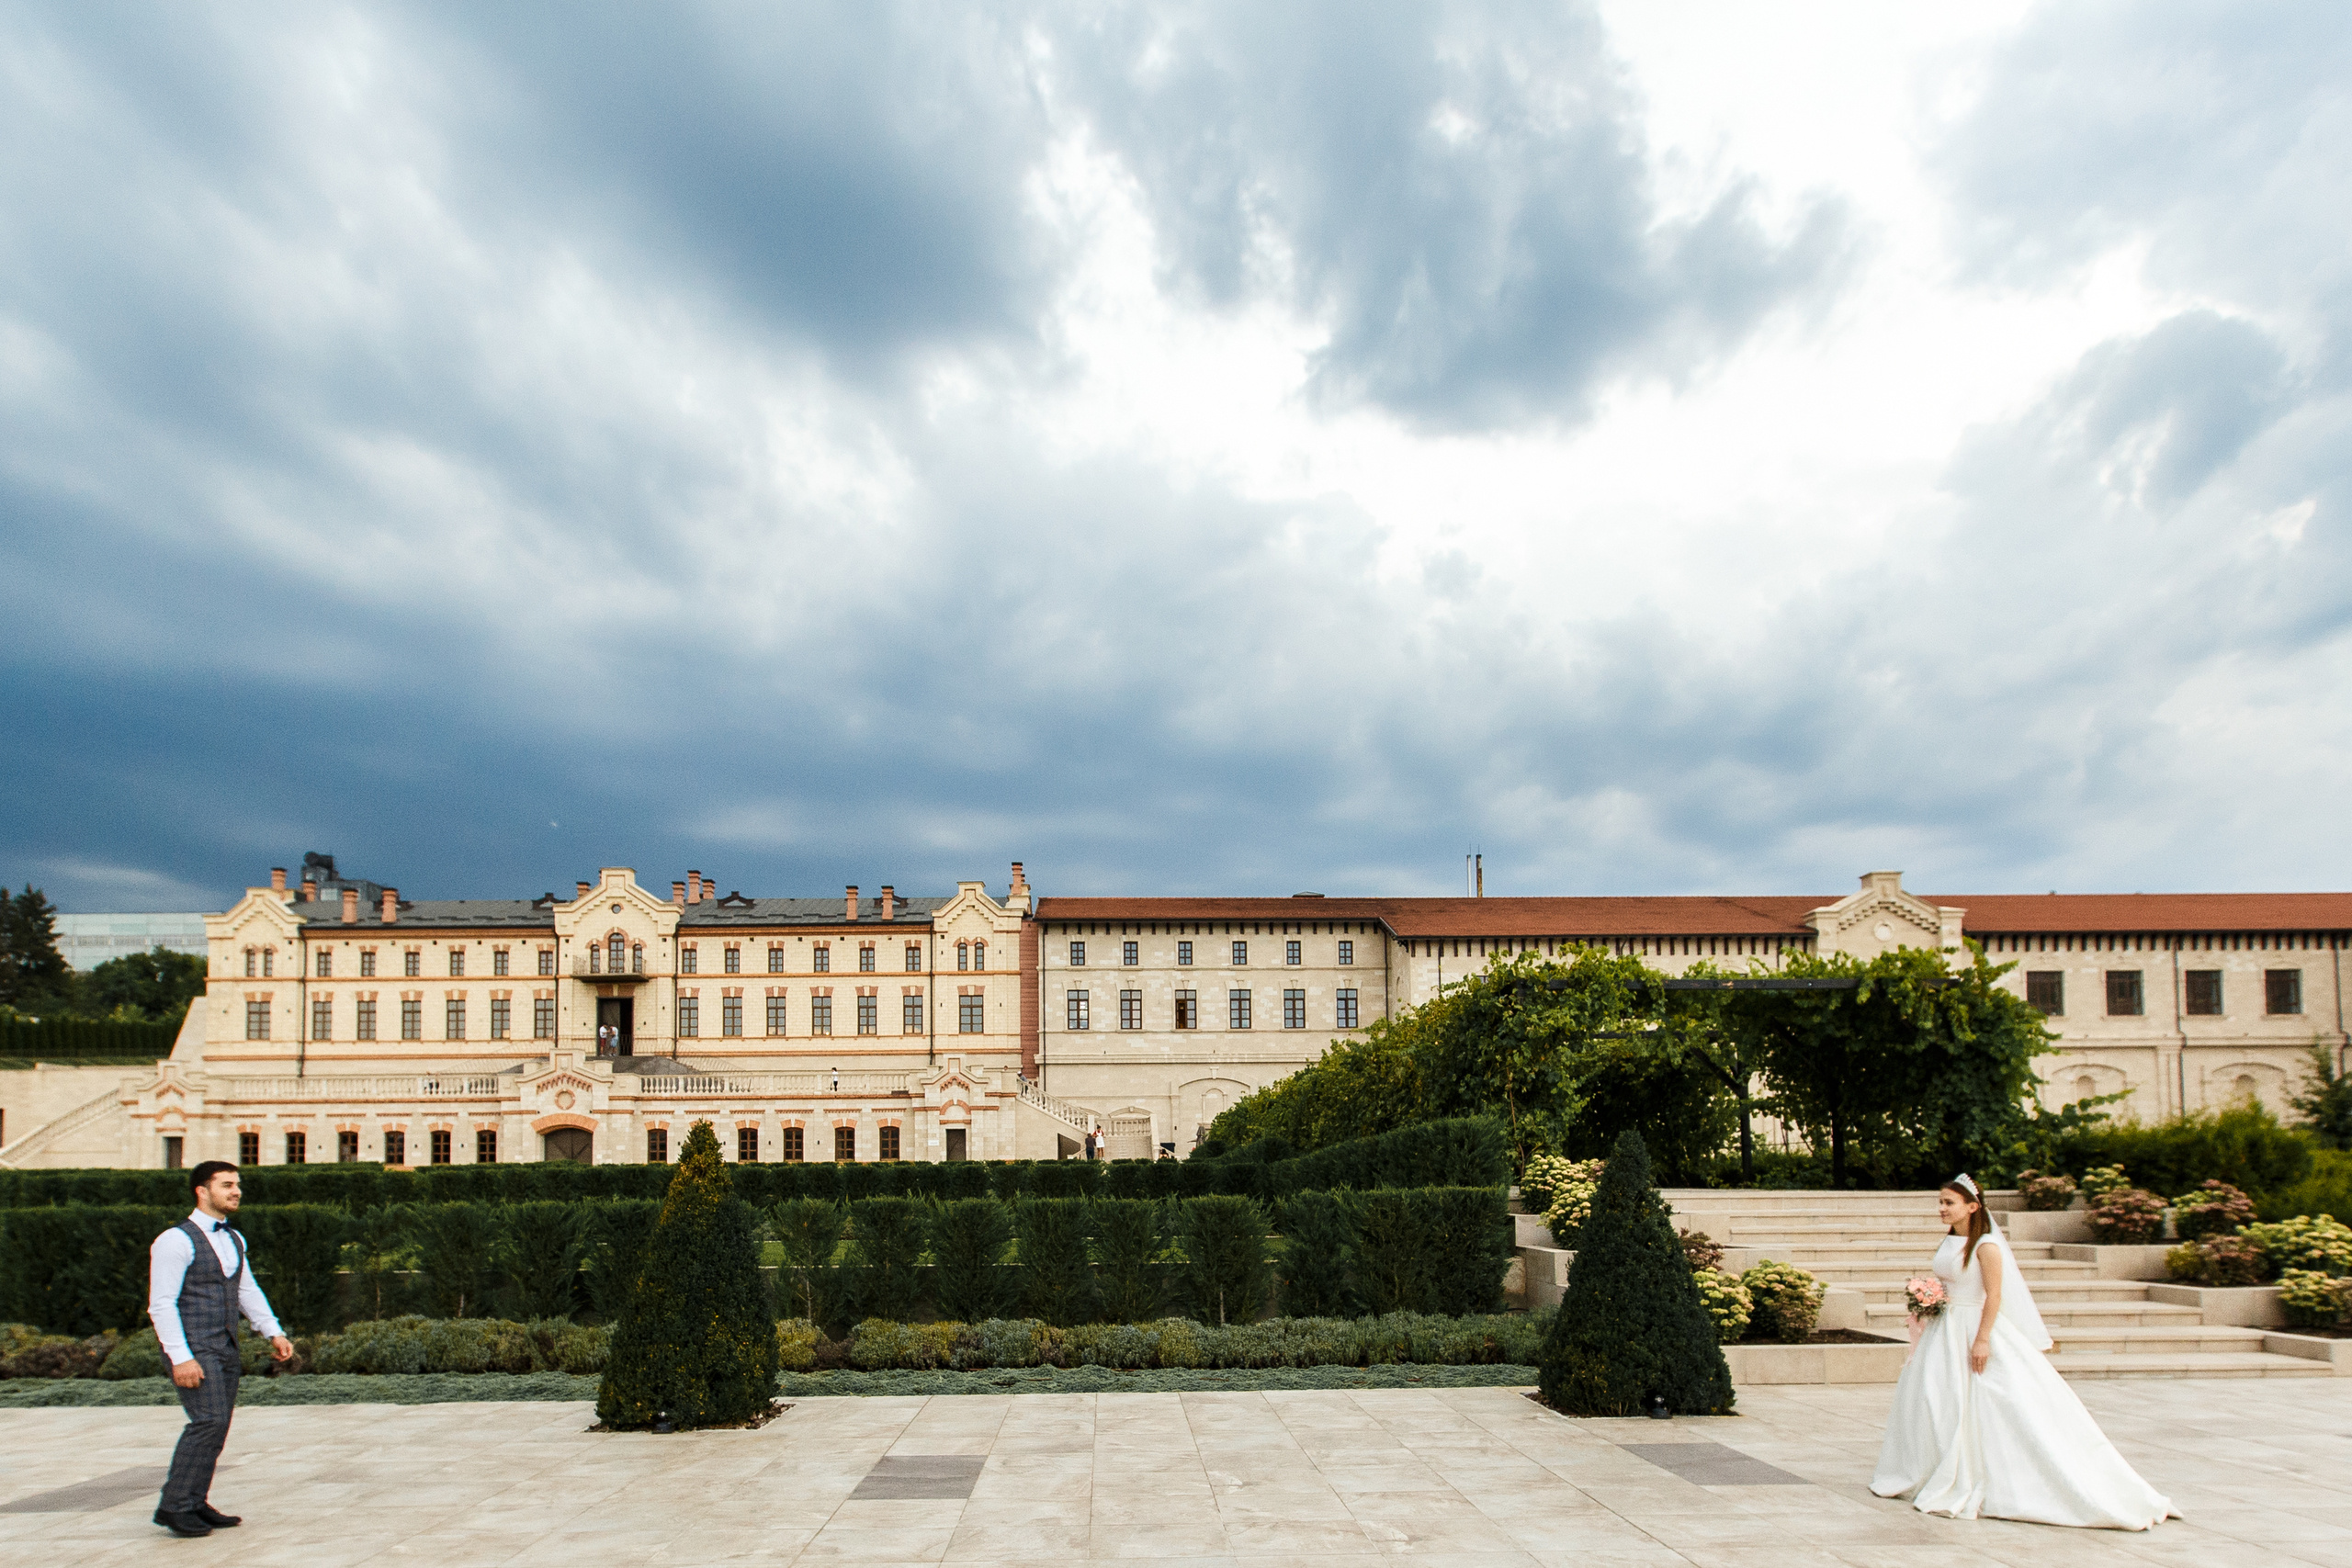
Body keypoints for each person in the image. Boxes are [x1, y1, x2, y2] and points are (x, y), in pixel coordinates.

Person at [1871, 1173, 2176, 1529]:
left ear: (1972, 1206)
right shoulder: (1951, 1240)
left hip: (1973, 1326)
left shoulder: (1986, 1246)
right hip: (1945, 1328)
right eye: (1940, 1201)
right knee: (1935, 1396)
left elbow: (1994, 1295)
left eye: (1948, 1203)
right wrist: (1928, 1298)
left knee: (1990, 1399)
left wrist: (1982, 1339)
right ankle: (1931, 1466)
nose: (1941, 1208)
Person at [149, 1160, 294, 1538]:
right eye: (227, 1184)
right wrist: (181, 1357)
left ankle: (194, 1500)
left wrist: (272, 1332)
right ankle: (175, 1507)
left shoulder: (234, 1239)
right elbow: (161, 1304)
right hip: (194, 1347)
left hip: (226, 1344)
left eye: (237, 1184)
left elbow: (247, 1290)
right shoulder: (174, 1241)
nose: (236, 1191)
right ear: (202, 1190)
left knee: (218, 1425)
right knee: (207, 1421)